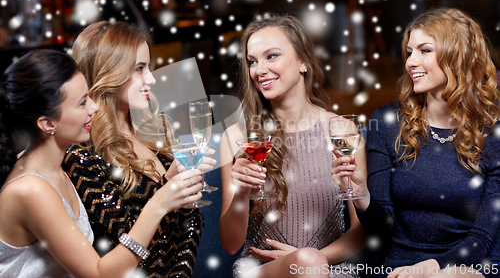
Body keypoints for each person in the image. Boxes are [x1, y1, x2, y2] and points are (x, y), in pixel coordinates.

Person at [0, 50, 203, 277]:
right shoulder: (31, 189)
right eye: (82, 103)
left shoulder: (53, 168)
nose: (94, 108)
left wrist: (166, 185)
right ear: (47, 124)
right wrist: (159, 204)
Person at [332, 7, 500, 278]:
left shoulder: (493, 134)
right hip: (394, 266)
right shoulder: (388, 122)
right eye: (409, 52)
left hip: (464, 265)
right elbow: (381, 225)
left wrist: (431, 268)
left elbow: (482, 238)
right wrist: (361, 194)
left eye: (424, 50)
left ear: (458, 56)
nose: (410, 62)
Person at [62, 21, 215, 277]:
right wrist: (166, 191)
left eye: (149, 68)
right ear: (108, 73)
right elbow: (126, 253)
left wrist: (176, 186)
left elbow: (190, 228)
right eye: (140, 69)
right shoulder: (82, 157)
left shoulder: (157, 133)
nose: (152, 79)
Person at [219, 14, 367, 278]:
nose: (259, 70)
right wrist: (241, 193)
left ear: (303, 61)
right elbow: (230, 245)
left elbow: (360, 232)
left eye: (271, 56)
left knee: (309, 264)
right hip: (262, 271)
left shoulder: (342, 131)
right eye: (252, 61)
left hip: (331, 270)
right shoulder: (237, 136)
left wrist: (310, 260)